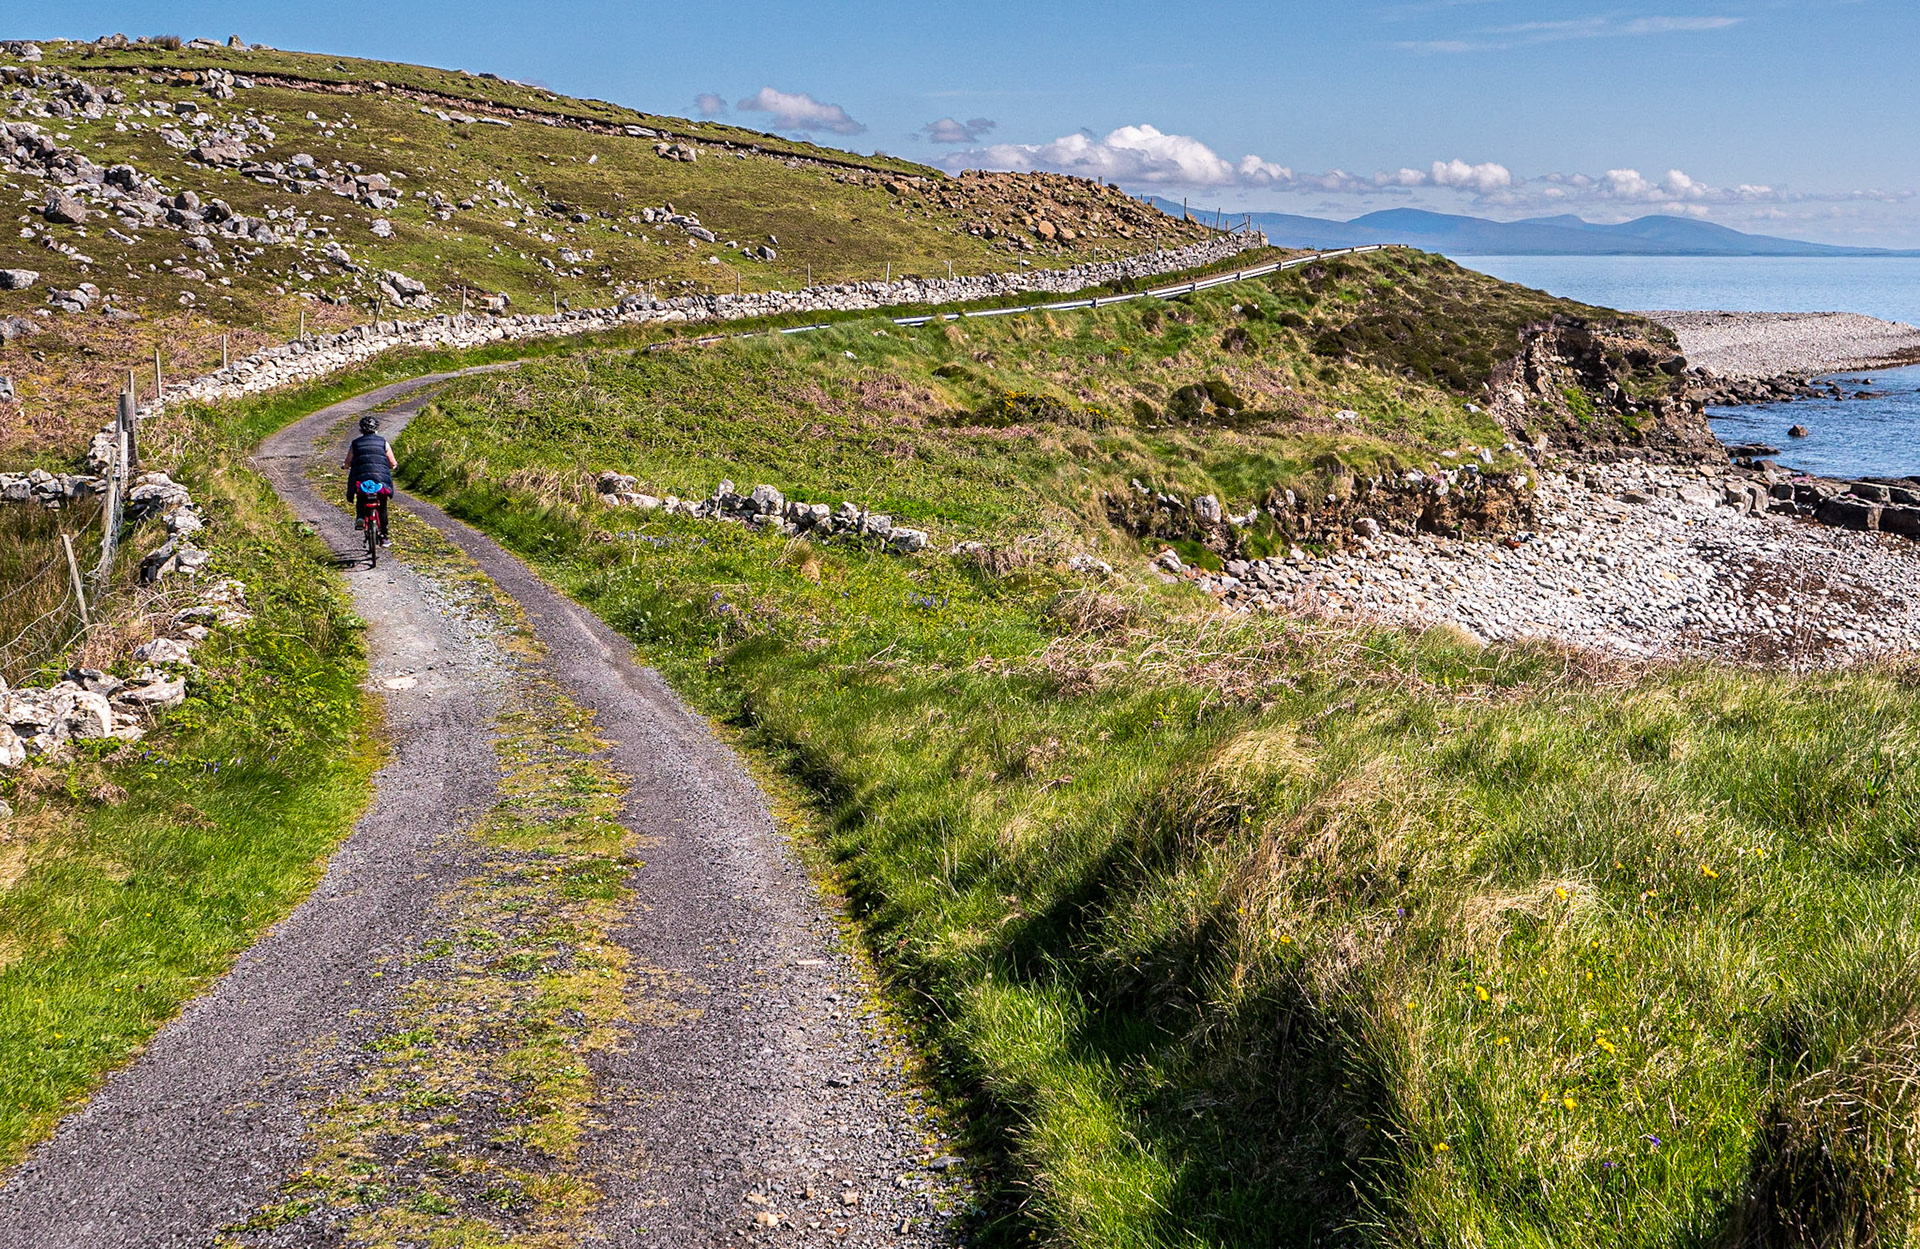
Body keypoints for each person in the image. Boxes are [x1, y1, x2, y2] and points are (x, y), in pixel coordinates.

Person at [343, 414, 397, 546]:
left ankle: (360, 517)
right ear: (376, 428)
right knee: (382, 506)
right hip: (380, 480)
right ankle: (384, 536)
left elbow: (348, 462)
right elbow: (392, 462)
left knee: (360, 496)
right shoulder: (383, 442)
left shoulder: (355, 444)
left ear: (361, 429)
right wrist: (393, 466)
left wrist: (345, 466)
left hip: (361, 479)